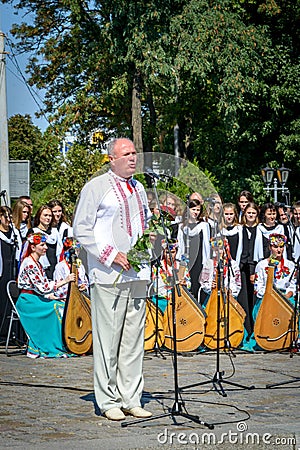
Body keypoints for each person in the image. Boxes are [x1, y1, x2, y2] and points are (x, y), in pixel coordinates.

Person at [73, 137, 152, 421]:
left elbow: (144, 225)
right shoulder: (95, 187)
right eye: (126, 154)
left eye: (134, 153)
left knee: (133, 340)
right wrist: (109, 254)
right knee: (109, 339)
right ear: (111, 159)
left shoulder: (140, 188)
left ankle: (132, 397)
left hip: (137, 273)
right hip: (107, 274)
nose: (133, 158)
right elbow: (81, 229)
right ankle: (108, 401)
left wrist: (151, 242)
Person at [16, 232, 76, 358]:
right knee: (55, 307)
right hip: (27, 301)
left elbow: (41, 287)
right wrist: (65, 280)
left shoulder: (37, 263)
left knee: (60, 303)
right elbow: (42, 287)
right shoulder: (30, 263)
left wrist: (50, 296)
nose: (46, 247)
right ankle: (52, 344)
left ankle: (63, 343)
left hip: (35, 298)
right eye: (42, 245)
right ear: (33, 247)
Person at [244, 233, 297, 351]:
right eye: (275, 246)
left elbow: (292, 285)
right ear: (270, 248)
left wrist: (286, 296)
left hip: (285, 297)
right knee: (262, 310)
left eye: (281, 247)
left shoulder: (291, 265)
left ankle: (290, 339)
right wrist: (272, 297)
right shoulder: (262, 265)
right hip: (267, 297)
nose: (278, 249)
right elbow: (258, 288)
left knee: (295, 307)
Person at [177, 198, 210, 300]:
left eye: (198, 210)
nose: (196, 212)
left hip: (198, 261)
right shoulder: (182, 226)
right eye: (193, 209)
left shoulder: (204, 225)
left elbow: (206, 247)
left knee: (196, 286)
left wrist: (206, 264)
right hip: (186, 261)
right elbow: (180, 246)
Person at [237, 202, 260, 340]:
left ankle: (256, 328)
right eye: (248, 213)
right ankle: (247, 329)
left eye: (253, 213)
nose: (251, 215)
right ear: (244, 214)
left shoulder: (260, 228)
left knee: (254, 299)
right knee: (244, 298)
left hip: (255, 266)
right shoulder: (241, 228)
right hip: (242, 267)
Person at [28, 205, 63, 279]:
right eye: (45, 215)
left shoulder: (55, 231)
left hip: (55, 266)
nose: (48, 218)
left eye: (50, 216)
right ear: (39, 216)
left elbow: (60, 249)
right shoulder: (34, 232)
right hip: (41, 266)